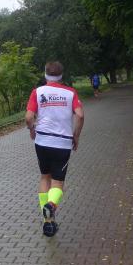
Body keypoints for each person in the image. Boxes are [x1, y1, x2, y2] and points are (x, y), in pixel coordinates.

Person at [25, 61, 84, 237]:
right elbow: (80, 115)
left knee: (45, 177)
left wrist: (32, 129)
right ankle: (51, 206)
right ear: (61, 75)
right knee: (57, 182)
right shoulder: (70, 92)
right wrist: (76, 136)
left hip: (42, 141)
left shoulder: (37, 92)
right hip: (62, 143)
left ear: (45, 74)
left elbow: (28, 117)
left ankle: (47, 222)